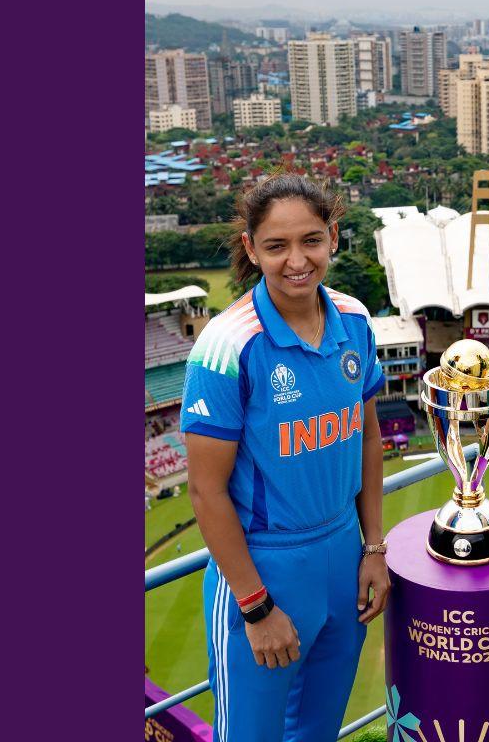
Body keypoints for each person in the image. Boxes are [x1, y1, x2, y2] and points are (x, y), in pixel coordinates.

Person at [182, 174, 389, 742]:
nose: (297, 261)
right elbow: (205, 490)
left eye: (311, 240)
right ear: (251, 249)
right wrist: (255, 607)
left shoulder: (354, 320)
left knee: (319, 730)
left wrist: (373, 548)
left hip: (343, 557)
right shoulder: (227, 345)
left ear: (333, 238)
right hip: (264, 569)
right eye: (277, 246)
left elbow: (368, 440)